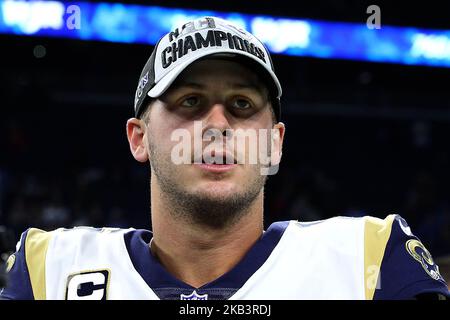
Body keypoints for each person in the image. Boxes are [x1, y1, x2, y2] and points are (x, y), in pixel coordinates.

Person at [1, 16, 449, 300]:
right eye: (190, 102)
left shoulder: (372, 259)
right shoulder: (46, 269)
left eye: (241, 106)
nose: (217, 124)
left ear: (274, 143)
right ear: (138, 138)